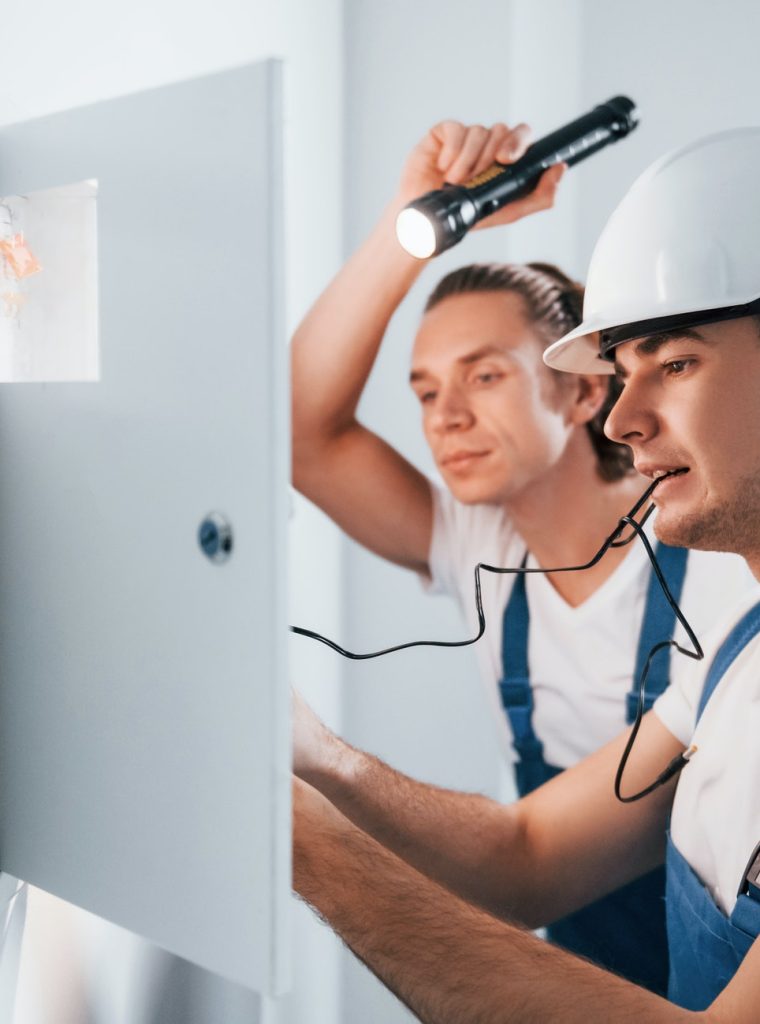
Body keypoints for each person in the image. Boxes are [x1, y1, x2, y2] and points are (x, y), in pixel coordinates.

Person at [291, 127, 760, 1020]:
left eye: (677, 362)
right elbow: (530, 858)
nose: (627, 418)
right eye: (426, 392)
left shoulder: (716, 576)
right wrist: (318, 766)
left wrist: (313, 845)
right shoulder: (730, 657)